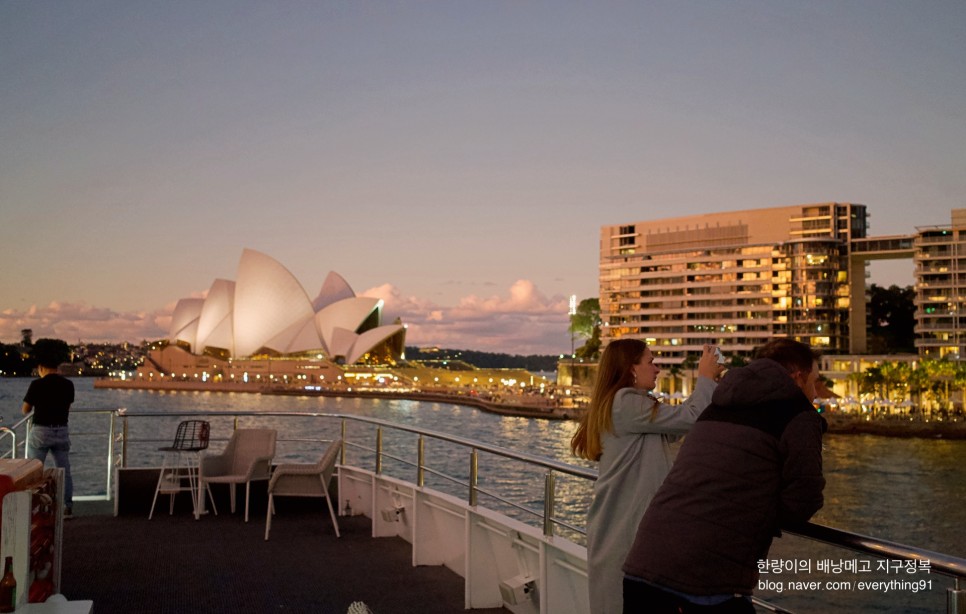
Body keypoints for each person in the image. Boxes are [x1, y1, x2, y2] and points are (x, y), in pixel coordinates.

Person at [622, 338, 827, 613]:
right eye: (814, 381)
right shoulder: (799, 414)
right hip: (705, 582)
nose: (815, 393)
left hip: (643, 565)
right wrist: (761, 513)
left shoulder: (718, 403)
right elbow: (805, 496)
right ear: (798, 377)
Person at [571, 339, 722, 614]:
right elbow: (691, 417)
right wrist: (704, 377)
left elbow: (679, 424)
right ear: (631, 369)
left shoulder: (626, 405)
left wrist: (711, 384)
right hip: (624, 532)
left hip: (619, 528)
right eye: (650, 362)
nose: (657, 368)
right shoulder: (625, 403)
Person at [22, 352, 75, 517]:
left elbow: (26, 409)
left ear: (41, 368)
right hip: (61, 430)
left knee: (34, 470)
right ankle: (67, 507)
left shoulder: (36, 384)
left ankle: (33, 508)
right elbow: (67, 408)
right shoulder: (68, 384)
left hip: (41, 431)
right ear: (57, 368)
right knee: (64, 470)